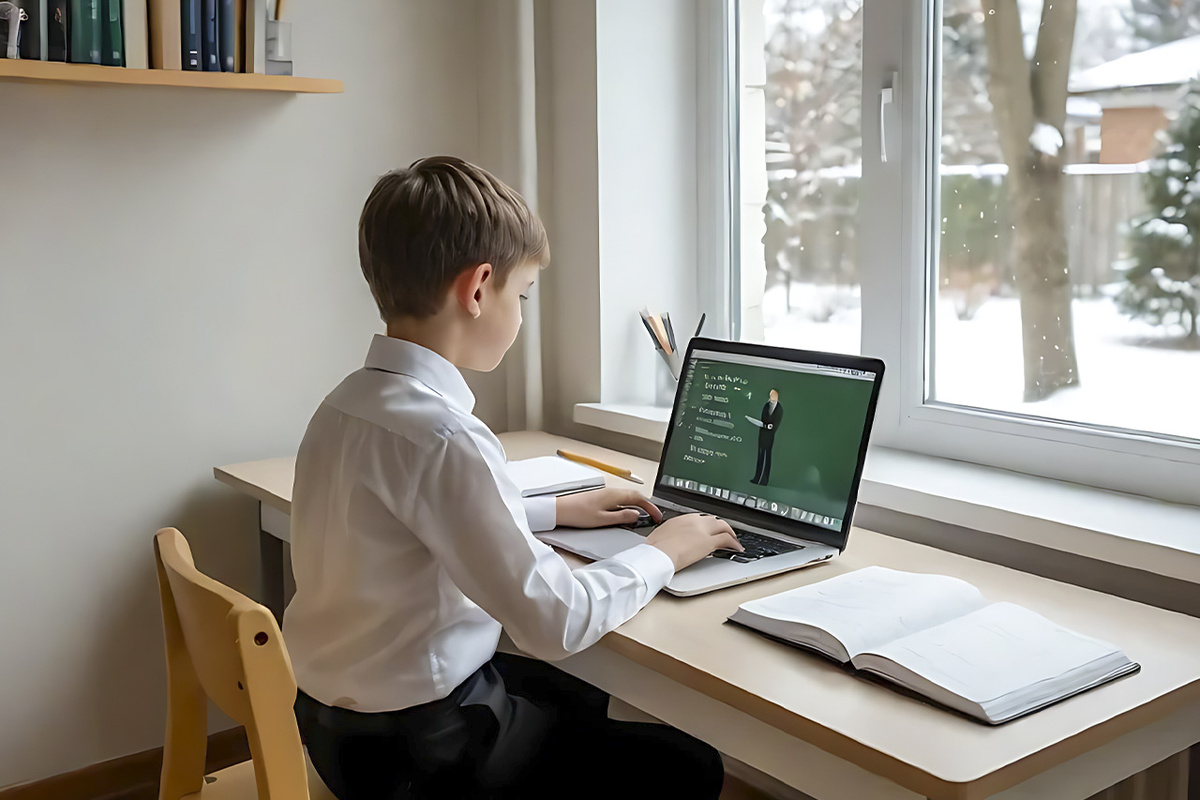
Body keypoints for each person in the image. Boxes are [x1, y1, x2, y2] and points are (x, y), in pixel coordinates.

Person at [282, 156, 743, 800]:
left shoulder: (347, 404)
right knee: (688, 763)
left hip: (340, 733)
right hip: (424, 756)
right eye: (521, 295)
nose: (521, 316)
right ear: (477, 290)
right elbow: (555, 623)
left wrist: (556, 511)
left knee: (580, 692)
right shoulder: (446, 437)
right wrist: (664, 551)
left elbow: (406, 526)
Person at [751, 388, 784, 485]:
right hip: (762, 435)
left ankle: (764, 479)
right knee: (760, 456)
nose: (771, 397)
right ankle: (757, 477)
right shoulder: (766, 405)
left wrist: (770, 428)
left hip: (769, 436)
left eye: (772, 395)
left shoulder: (779, 408)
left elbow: (777, 422)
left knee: (767, 457)